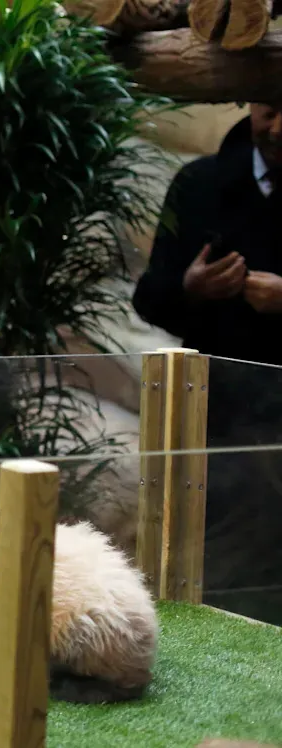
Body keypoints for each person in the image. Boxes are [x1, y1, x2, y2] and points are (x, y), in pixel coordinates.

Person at [132, 103, 282, 620]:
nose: (277, 127)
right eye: (269, 109)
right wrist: (189, 290)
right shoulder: (200, 183)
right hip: (216, 421)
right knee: (214, 578)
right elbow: (149, 300)